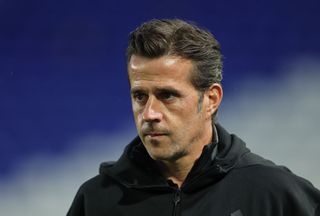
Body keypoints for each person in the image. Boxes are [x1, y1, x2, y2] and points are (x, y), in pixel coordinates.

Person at [67, 19, 320, 216]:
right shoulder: (96, 201)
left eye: (167, 95)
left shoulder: (271, 193)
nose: (150, 113)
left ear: (211, 100)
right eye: (140, 96)